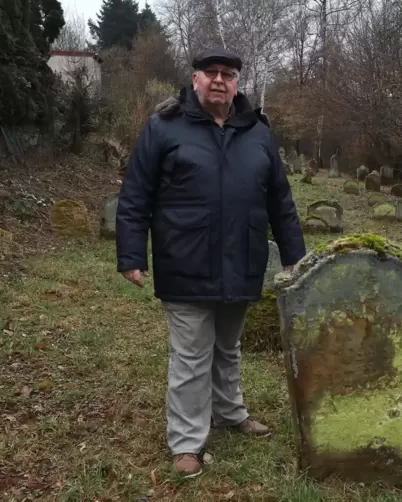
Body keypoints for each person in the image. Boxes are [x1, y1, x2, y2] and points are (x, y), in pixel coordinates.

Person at [115, 47, 306, 478]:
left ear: (238, 82)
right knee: (190, 355)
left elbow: (281, 199)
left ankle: (229, 411)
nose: (220, 80)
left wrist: (296, 256)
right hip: (185, 259)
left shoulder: (257, 131)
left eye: (229, 73)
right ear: (195, 79)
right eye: (211, 72)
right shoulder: (164, 127)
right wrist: (131, 254)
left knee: (228, 346)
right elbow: (135, 194)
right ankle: (186, 442)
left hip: (242, 259)